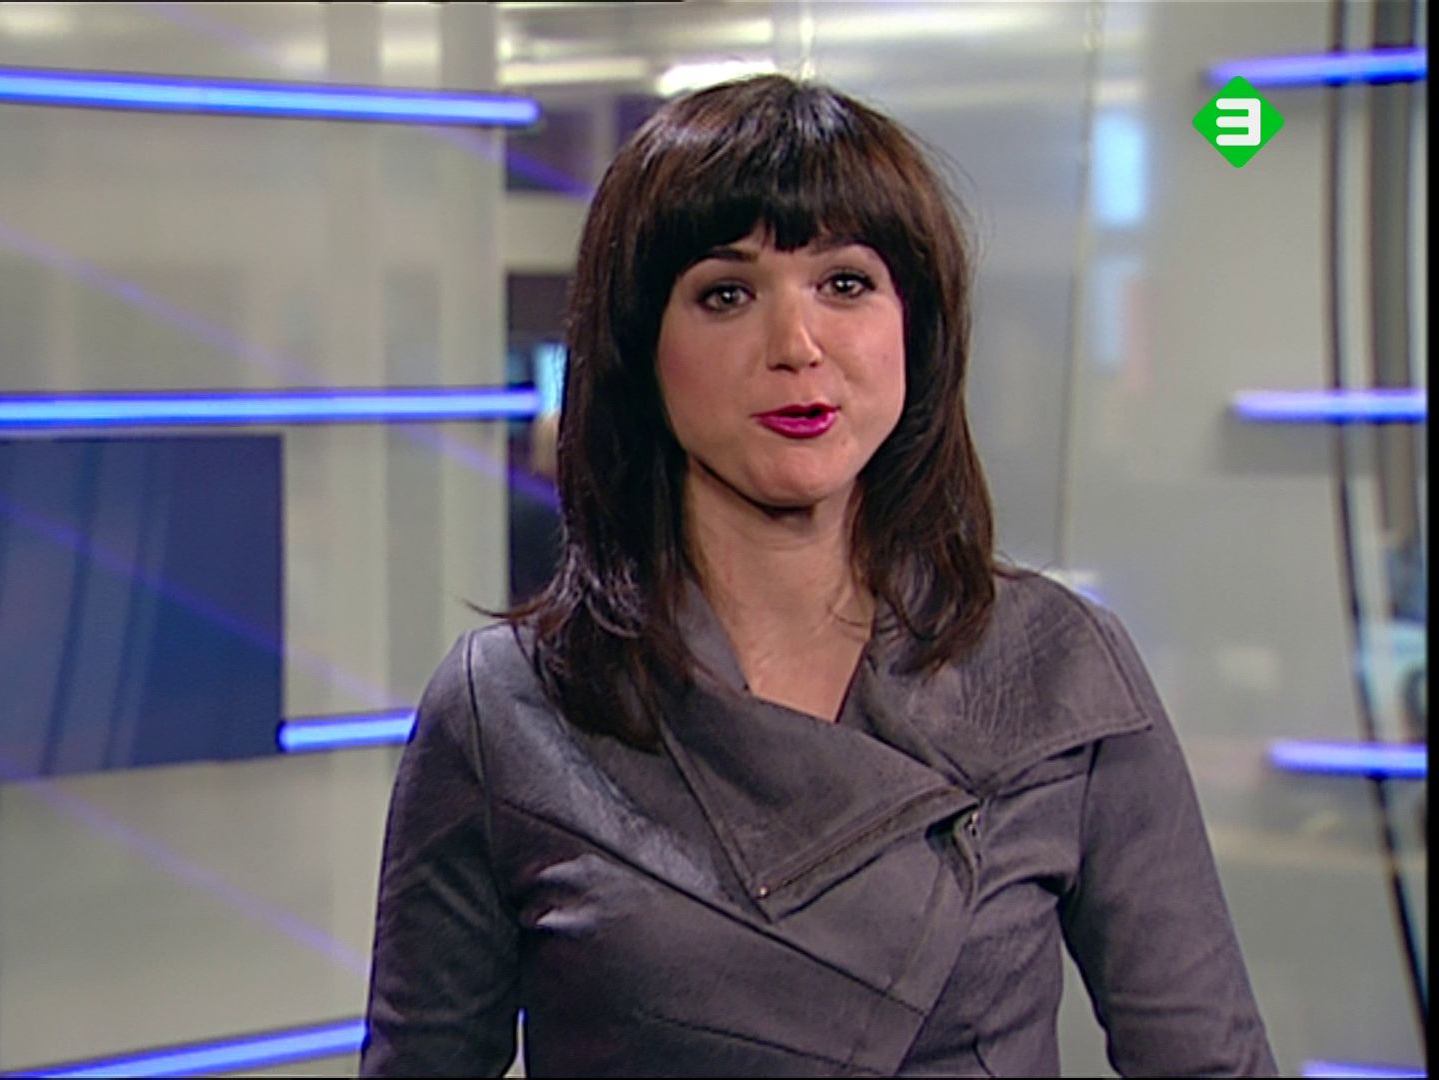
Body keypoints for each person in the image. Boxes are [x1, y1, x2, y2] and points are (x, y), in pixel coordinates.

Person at [359, 75, 1276, 1078]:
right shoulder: (508, 708)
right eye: (726, 293)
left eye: (845, 284)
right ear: (639, 346)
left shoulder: (1060, 669)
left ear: (914, 327)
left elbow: (1208, 1062)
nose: (797, 347)